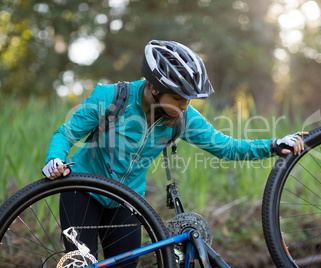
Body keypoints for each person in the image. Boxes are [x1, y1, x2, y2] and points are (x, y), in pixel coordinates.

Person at [42, 40, 307, 266]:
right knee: (83, 263)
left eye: (189, 99)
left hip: (127, 201)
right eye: (179, 98)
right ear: (155, 88)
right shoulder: (111, 98)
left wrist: (272, 144)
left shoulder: (183, 117)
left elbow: (226, 146)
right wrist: (54, 160)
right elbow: (65, 134)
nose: (185, 106)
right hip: (83, 191)